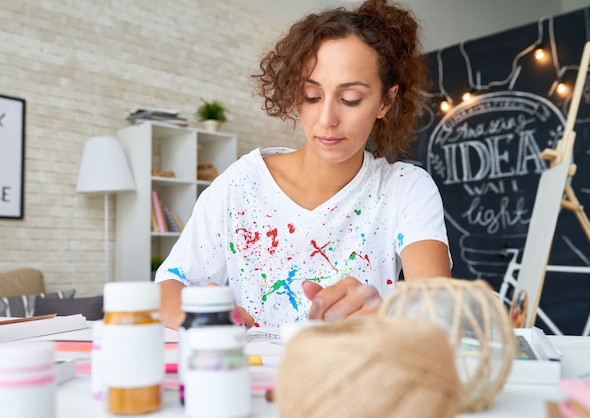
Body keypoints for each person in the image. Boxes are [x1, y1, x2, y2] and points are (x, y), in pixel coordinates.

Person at [155, 0, 451, 329]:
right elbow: (169, 286)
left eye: (350, 99)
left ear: (386, 100)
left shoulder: (404, 188)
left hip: (357, 376)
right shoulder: (242, 184)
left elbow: (438, 310)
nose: (327, 120)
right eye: (311, 95)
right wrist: (202, 316)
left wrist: (387, 318)